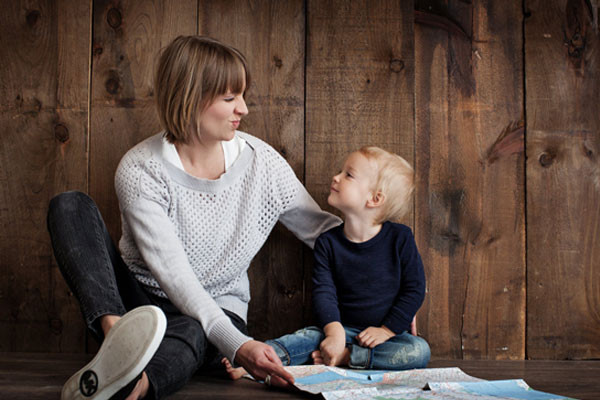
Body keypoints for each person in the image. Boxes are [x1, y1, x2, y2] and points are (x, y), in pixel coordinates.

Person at [47, 35, 341, 400]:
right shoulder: (141, 169)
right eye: (230, 98)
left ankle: (131, 386)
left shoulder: (262, 164)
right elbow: (175, 277)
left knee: (191, 329)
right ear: (190, 98)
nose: (244, 110)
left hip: (217, 312)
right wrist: (242, 347)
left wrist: (395, 274)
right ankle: (118, 342)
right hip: (138, 304)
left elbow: (325, 232)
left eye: (242, 96)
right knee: (69, 205)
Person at [224, 146, 430, 378]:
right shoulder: (328, 243)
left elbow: (413, 289)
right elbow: (324, 292)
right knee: (304, 339)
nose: (336, 177)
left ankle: (348, 358)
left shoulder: (400, 238)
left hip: (386, 338)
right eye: (341, 171)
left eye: (348, 175)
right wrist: (334, 333)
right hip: (340, 329)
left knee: (419, 351)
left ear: (375, 198)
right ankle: (254, 362)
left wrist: (387, 330)